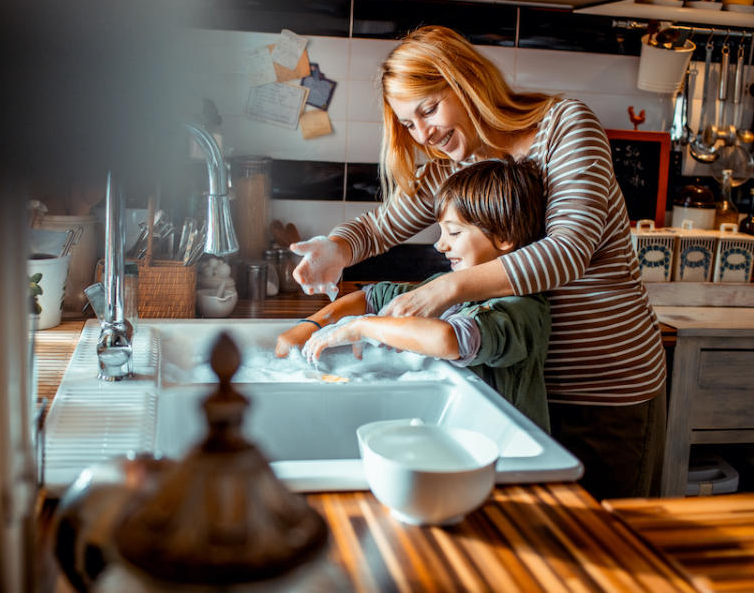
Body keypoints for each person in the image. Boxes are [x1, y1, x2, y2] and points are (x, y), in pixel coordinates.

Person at [288, 25, 667, 500]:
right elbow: (379, 227)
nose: (423, 133)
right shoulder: (453, 165)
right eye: (408, 123)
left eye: (428, 109)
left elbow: (569, 250)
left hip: (604, 389)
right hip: (521, 392)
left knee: (610, 547)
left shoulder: (564, 125)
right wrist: (335, 248)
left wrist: (446, 288)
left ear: (467, 82)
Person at [277, 157, 552, 431]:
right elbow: (372, 297)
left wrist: (364, 327)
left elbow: (451, 339)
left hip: (507, 453)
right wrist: (310, 325)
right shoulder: (446, 283)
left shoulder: (521, 307)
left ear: (504, 236)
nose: (440, 245)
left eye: (454, 232)